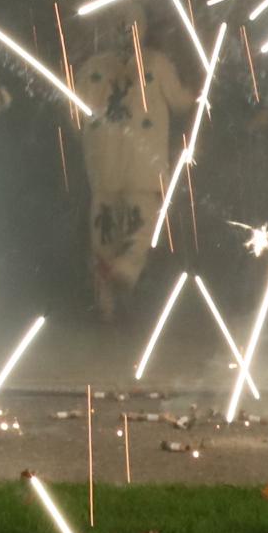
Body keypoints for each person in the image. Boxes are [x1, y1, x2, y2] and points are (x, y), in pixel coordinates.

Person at [73, 27, 176, 320]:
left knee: (103, 229)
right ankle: (124, 270)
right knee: (142, 228)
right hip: (143, 165)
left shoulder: (92, 67)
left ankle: (104, 301)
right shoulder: (156, 63)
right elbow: (181, 99)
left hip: (103, 163)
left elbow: (74, 109)